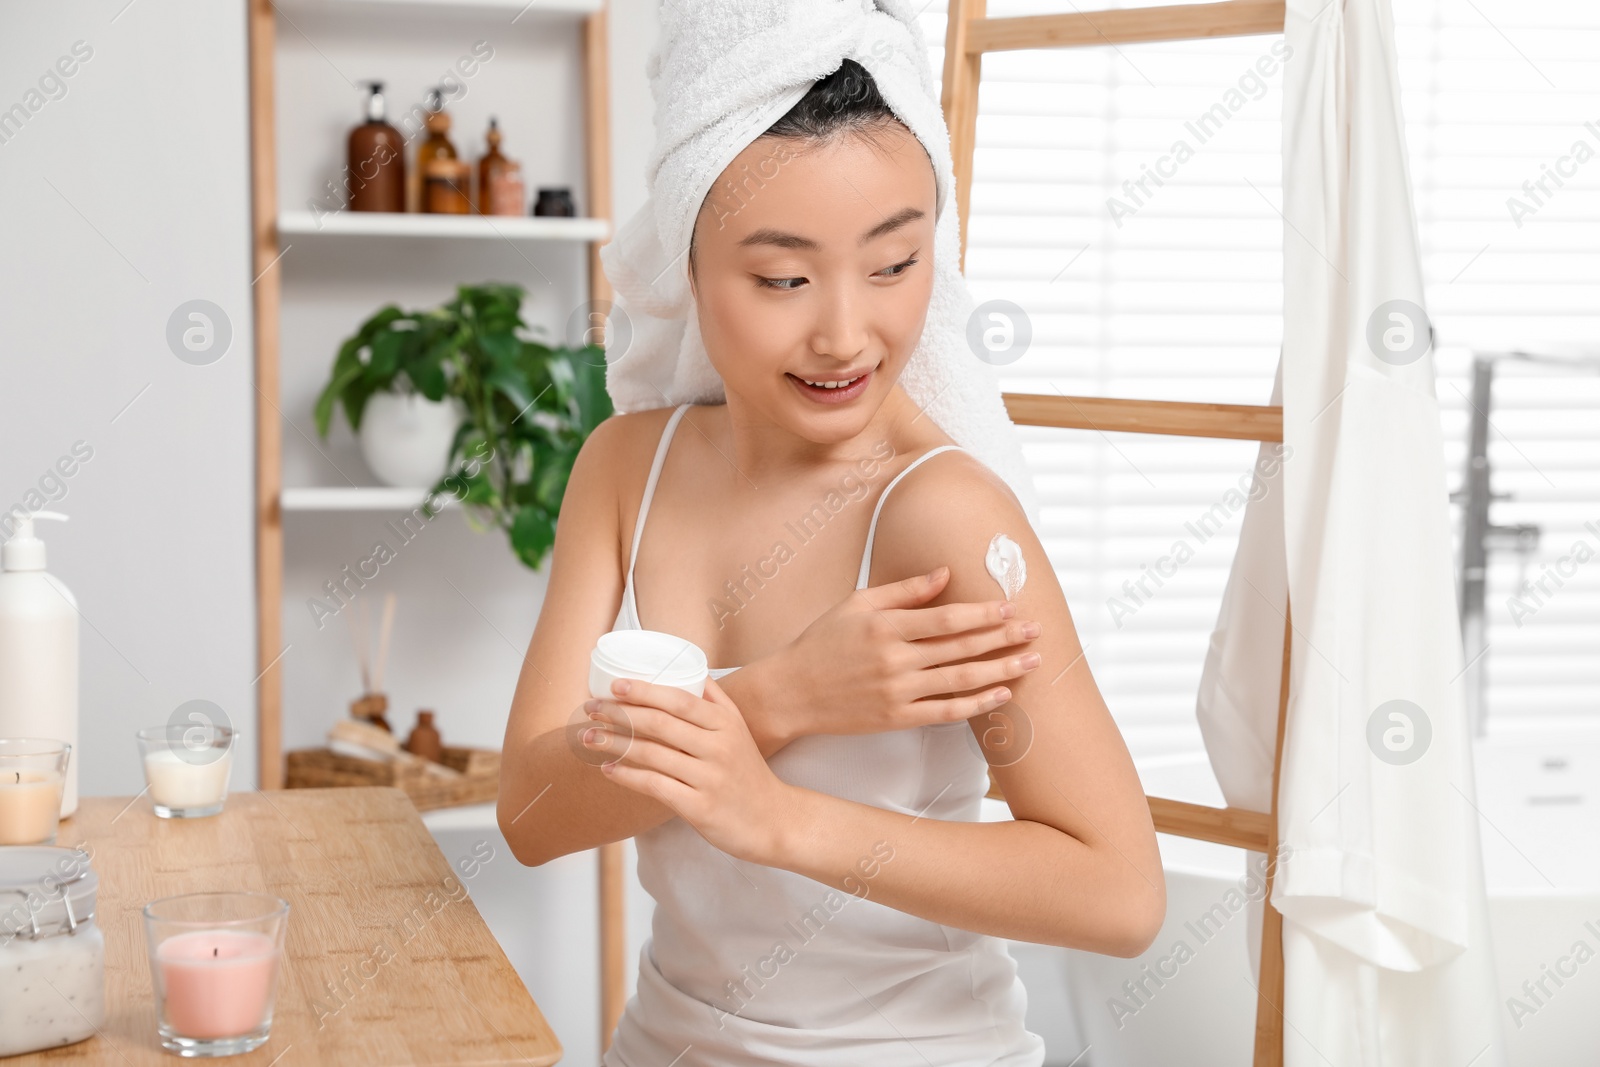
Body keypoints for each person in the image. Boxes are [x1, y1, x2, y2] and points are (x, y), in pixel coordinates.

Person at [499, 42, 1163, 1067]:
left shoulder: (939, 515)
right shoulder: (627, 466)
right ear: (686, 264)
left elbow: (1117, 891)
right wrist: (778, 698)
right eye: (784, 277)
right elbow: (532, 813)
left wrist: (780, 819)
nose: (846, 333)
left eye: (894, 265)